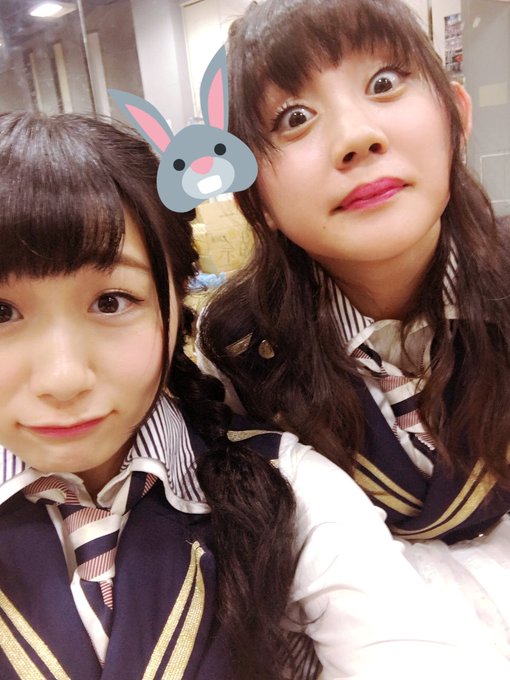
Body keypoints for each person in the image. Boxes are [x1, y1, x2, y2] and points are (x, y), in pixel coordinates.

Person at [0, 113, 507, 680]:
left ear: (177, 302)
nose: (63, 378)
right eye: (2, 312)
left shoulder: (287, 490)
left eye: (112, 301)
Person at [197, 0, 510, 663]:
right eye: (294, 118)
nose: (356, 137)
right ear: (257, 200)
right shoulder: (240, 353)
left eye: (384, 83)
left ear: (456, 115)